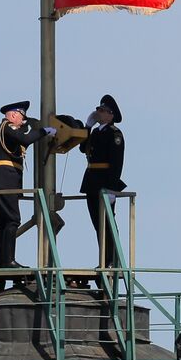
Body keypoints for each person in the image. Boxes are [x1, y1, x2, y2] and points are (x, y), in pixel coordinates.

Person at [0, 101, 55, 280]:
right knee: (12, 220)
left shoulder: (6, 131)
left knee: (3, 222)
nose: (23, 121)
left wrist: (30, 130)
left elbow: (22, 141)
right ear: (12, 115)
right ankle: (8, 260)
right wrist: (43, 131)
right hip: (6, 180)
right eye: (21, 117)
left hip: (4, 181)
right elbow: (25, 140)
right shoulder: (7, 127)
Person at [80, 94, 126, 271]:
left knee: (107, 222)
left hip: (105, 182)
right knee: (97, 224)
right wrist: (87, 127)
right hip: (91, 182)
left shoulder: (114, 133)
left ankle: (112, 259)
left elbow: (116, 162)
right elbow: (82, 148)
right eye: (98, 109)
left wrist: (112, 188)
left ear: (110, 114)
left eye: (102, 110)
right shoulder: (96, 132)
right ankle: (104, 259)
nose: (98, 112)